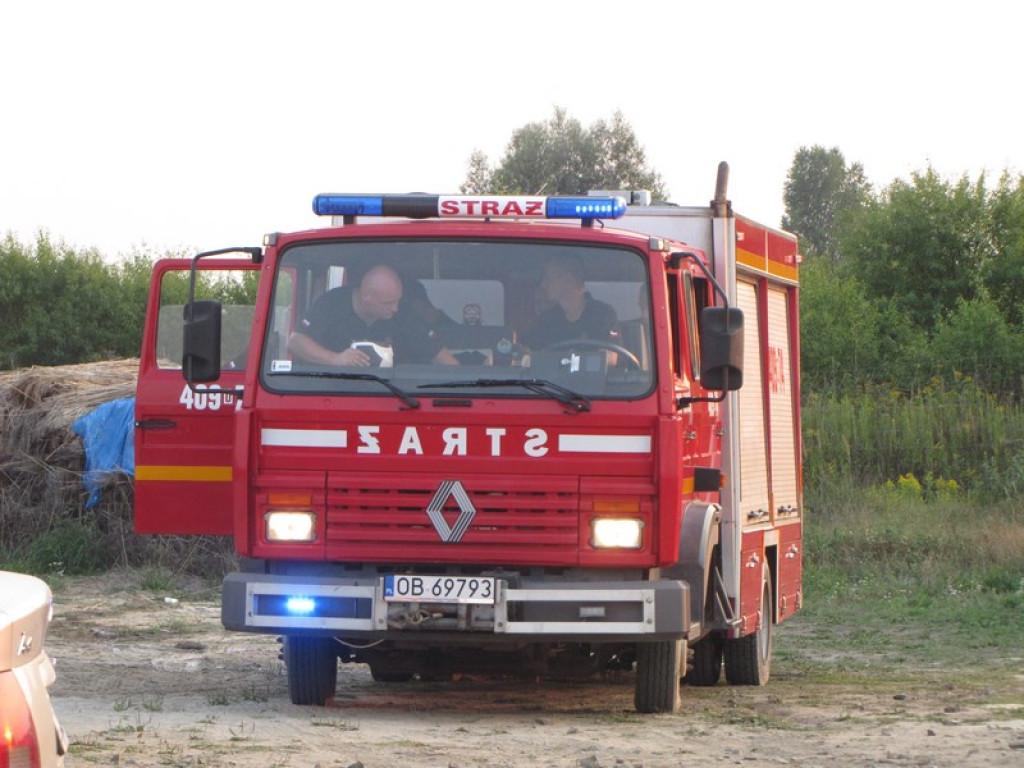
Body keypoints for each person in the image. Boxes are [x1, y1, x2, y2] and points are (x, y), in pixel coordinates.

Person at [288, 265, 459, 366]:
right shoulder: (332, 303)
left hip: (393, 396)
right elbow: (296, 341)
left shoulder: (403, 314)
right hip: (332, 393)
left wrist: (462, 382)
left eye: (397, 301)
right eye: (387, 303)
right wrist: (335, 359)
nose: (395, 309)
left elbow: (436, 351)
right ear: (366, 297)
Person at [521, 255, 620, 350]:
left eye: (548, 277)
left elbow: (612, 356)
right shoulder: (547, 321)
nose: (543, 284)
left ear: (568, 279)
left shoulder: (603, 314)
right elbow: (528, 352)